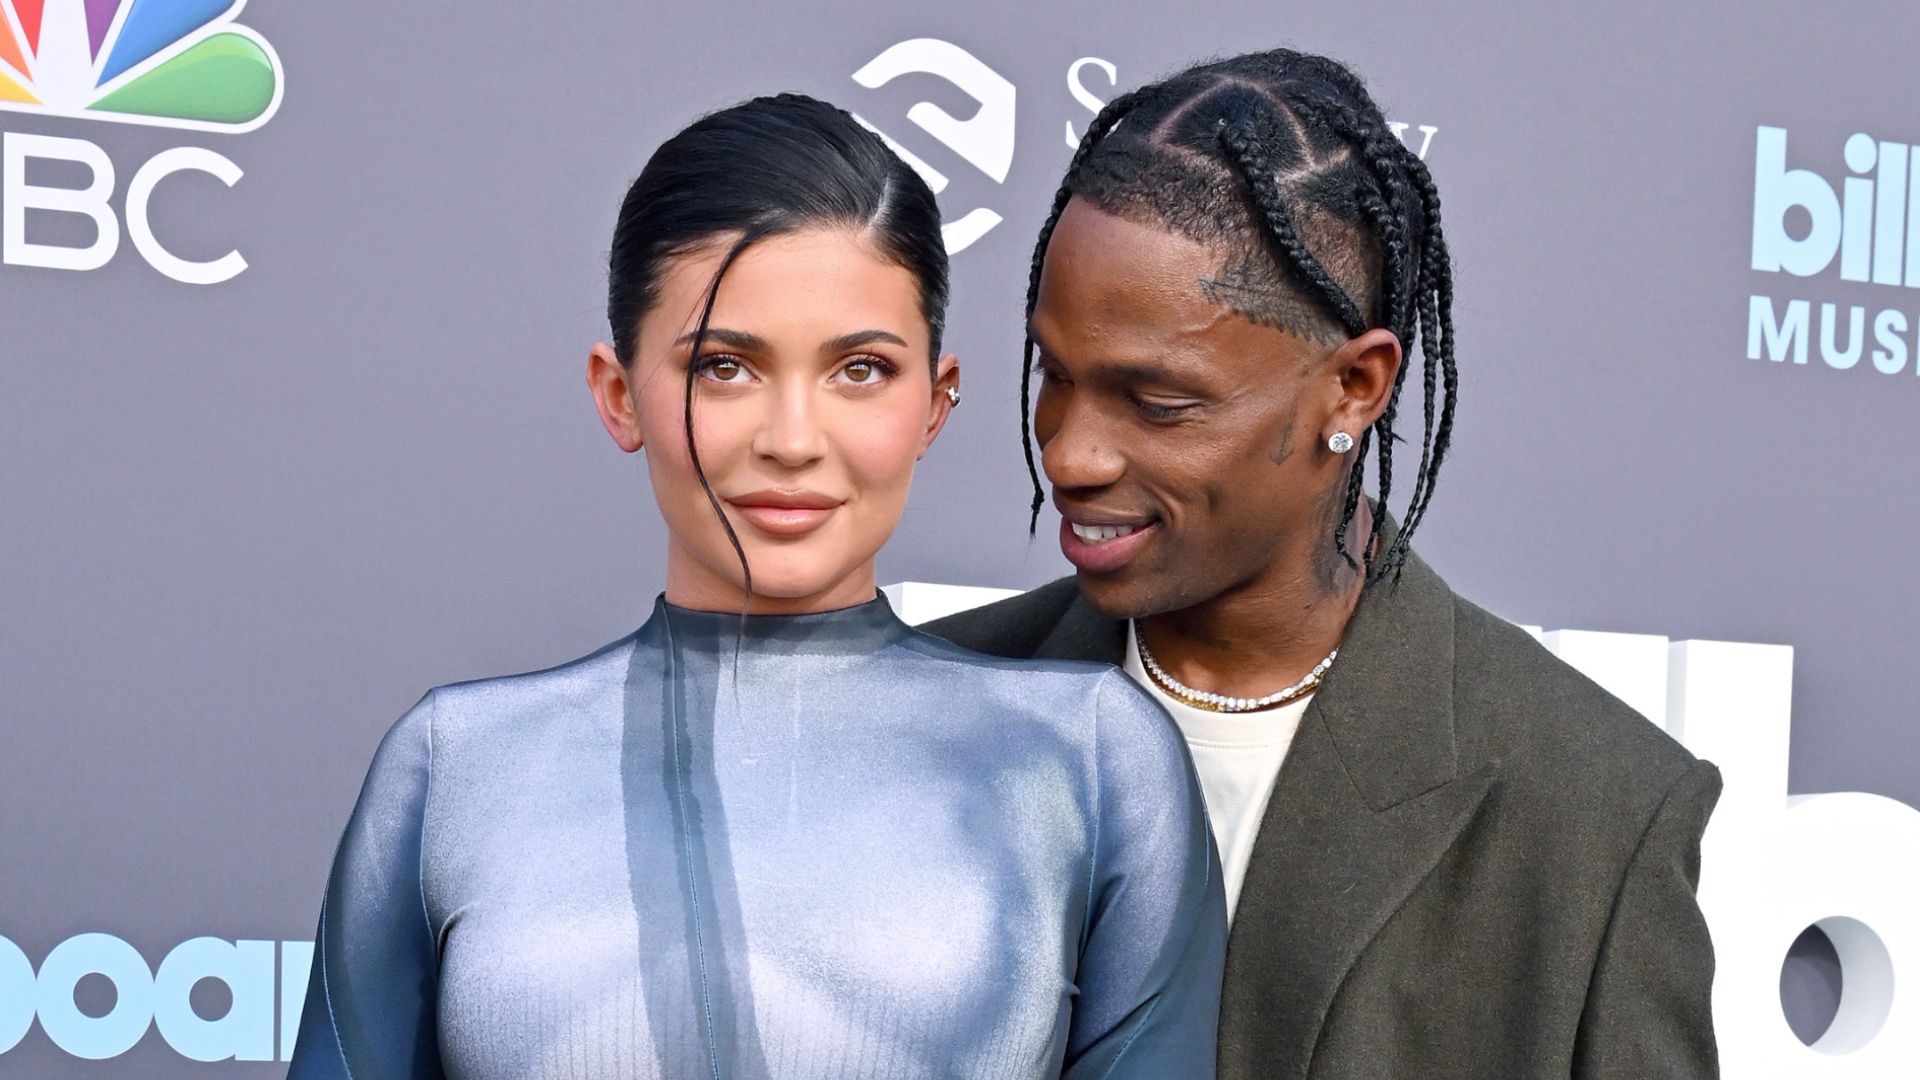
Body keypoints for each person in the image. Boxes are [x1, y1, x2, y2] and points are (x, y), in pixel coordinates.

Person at [287, 93, 1225, 1080]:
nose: (790, 439)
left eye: (860, 370)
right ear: (620, 394)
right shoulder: (453, 770)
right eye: (725, 367)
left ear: (935, 404)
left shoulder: (1087, 759)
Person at [929, 49, 1721, 1079]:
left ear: (1353, 388)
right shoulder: (939, 708)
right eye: (1054, 374)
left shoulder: (1591, 816)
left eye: (1160, 402)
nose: (1071, 453)